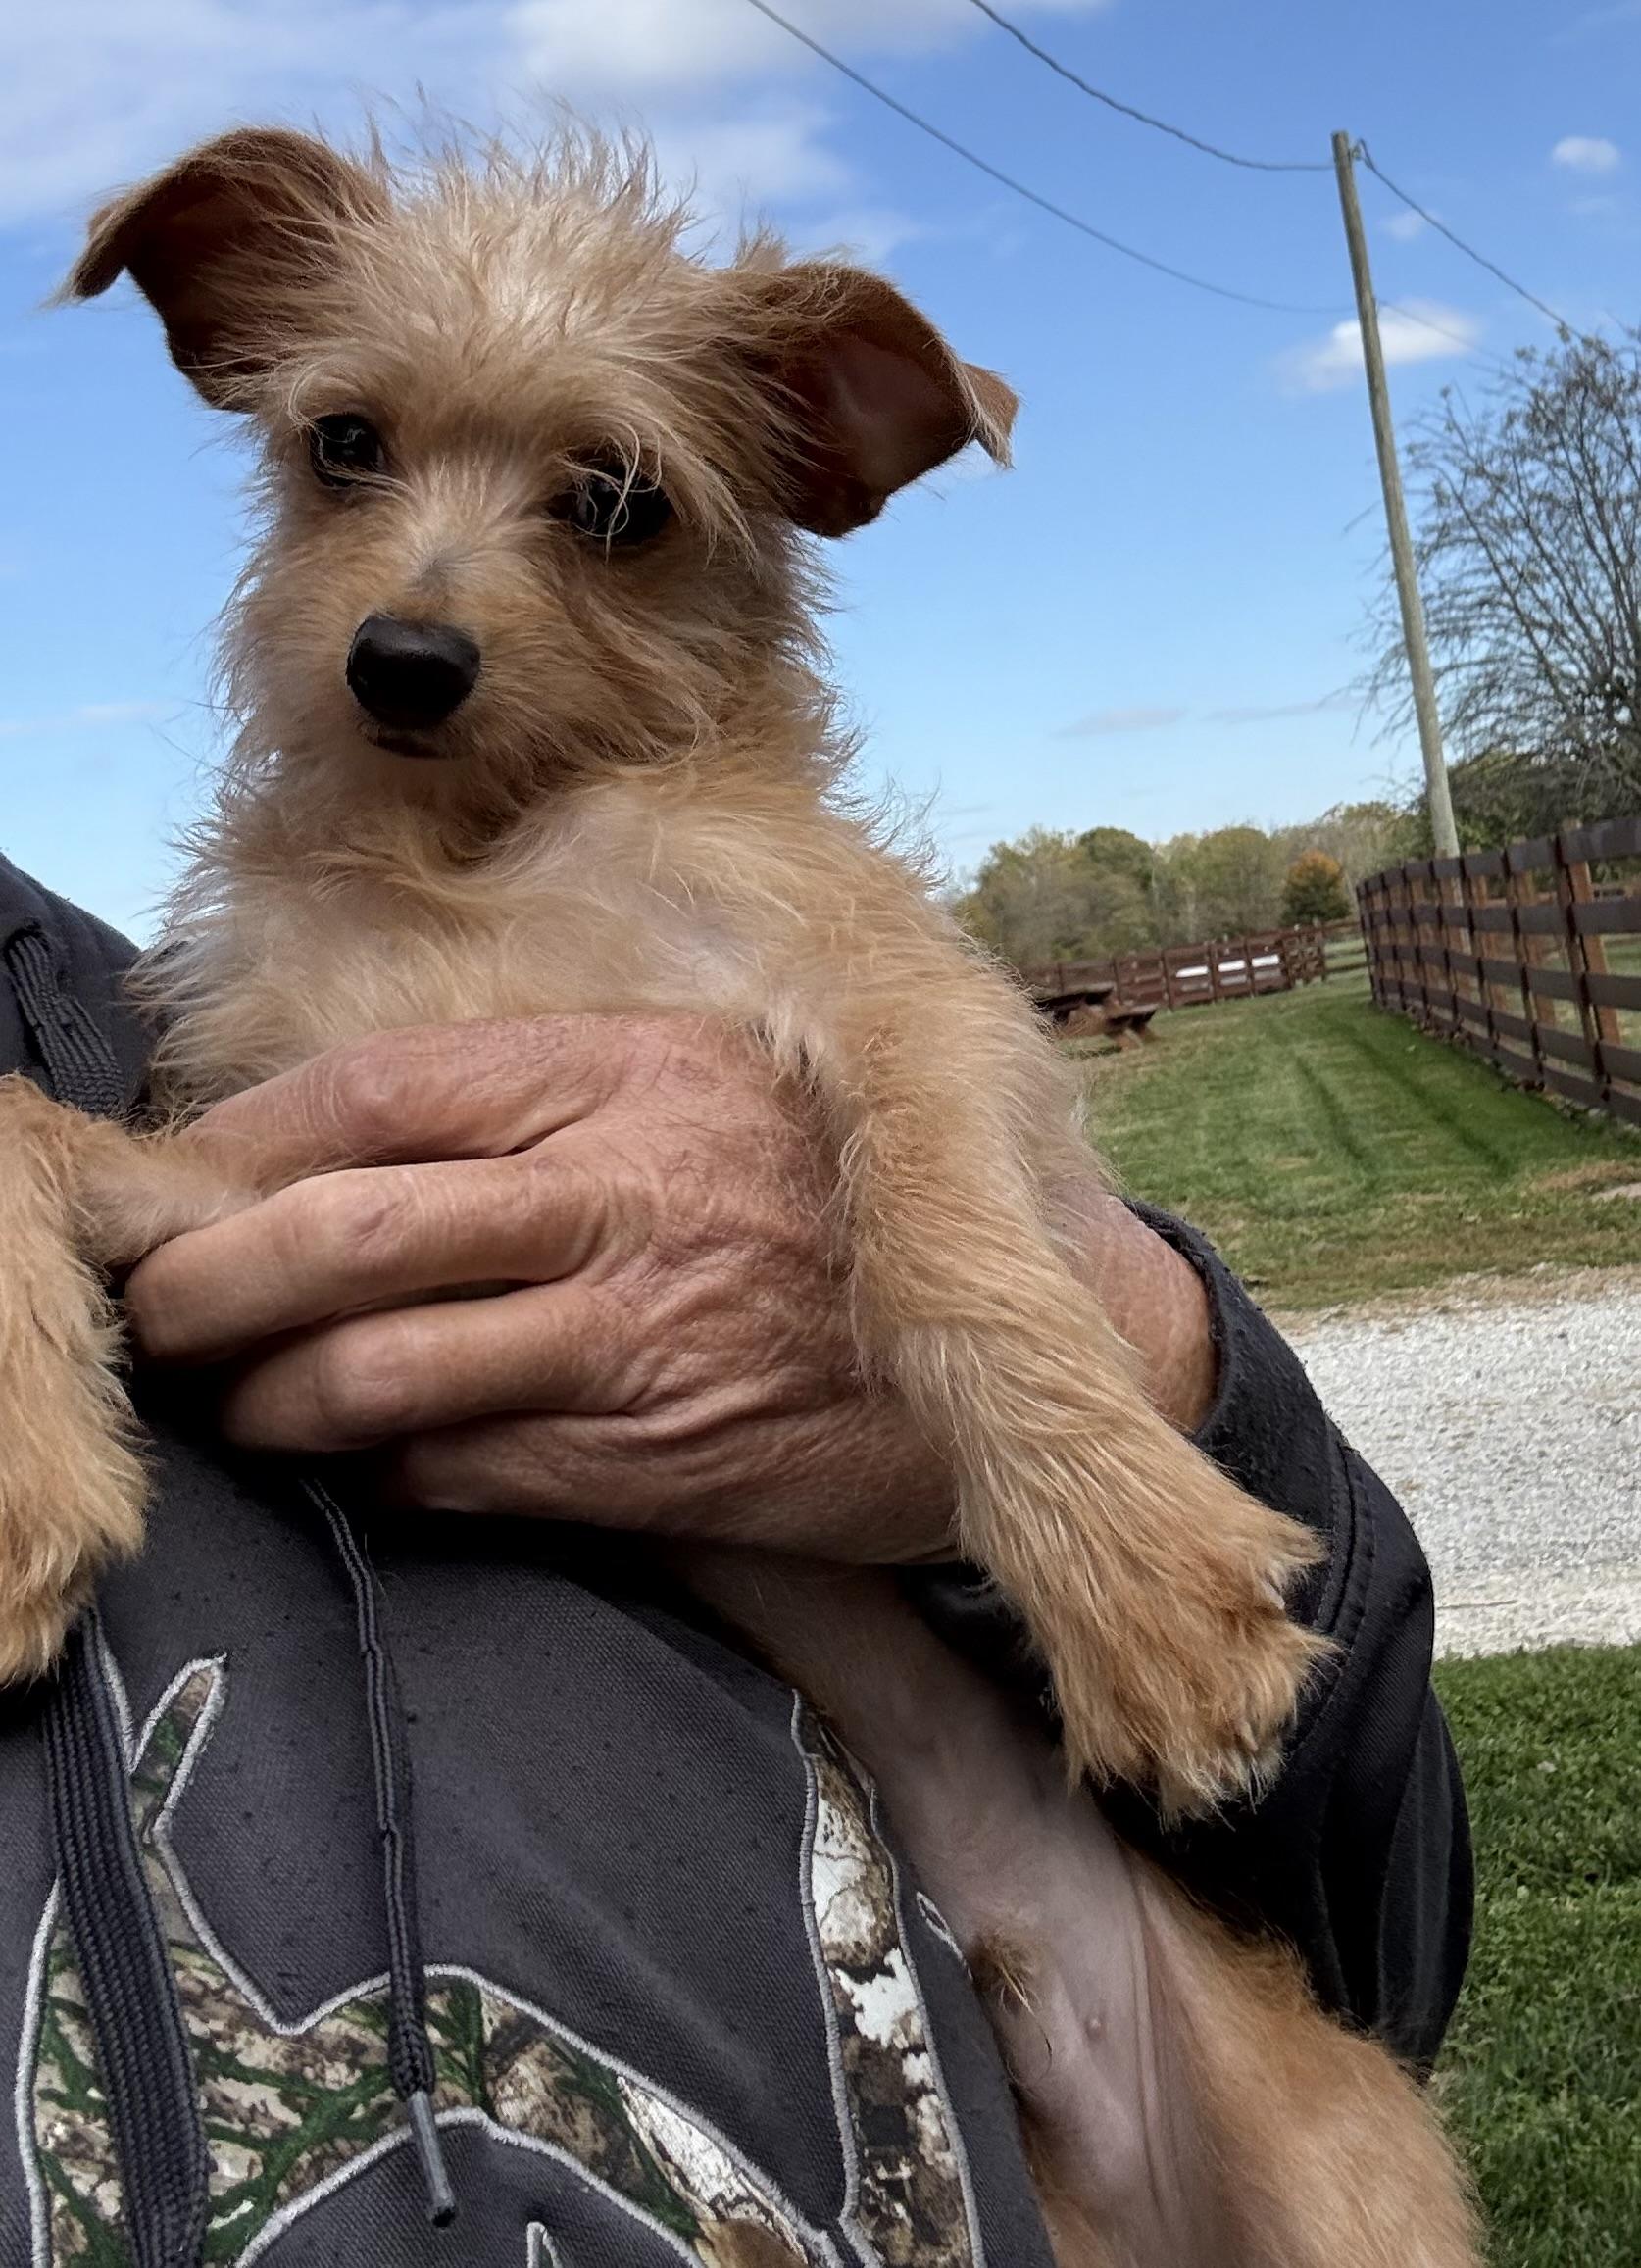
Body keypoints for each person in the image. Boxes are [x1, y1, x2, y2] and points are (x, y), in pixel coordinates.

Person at [0, 853, 1470, 2267]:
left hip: (1153, 1985)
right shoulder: (169, 1023)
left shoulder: (108, 996)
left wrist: (1136, 1363)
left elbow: (1376, 1888)